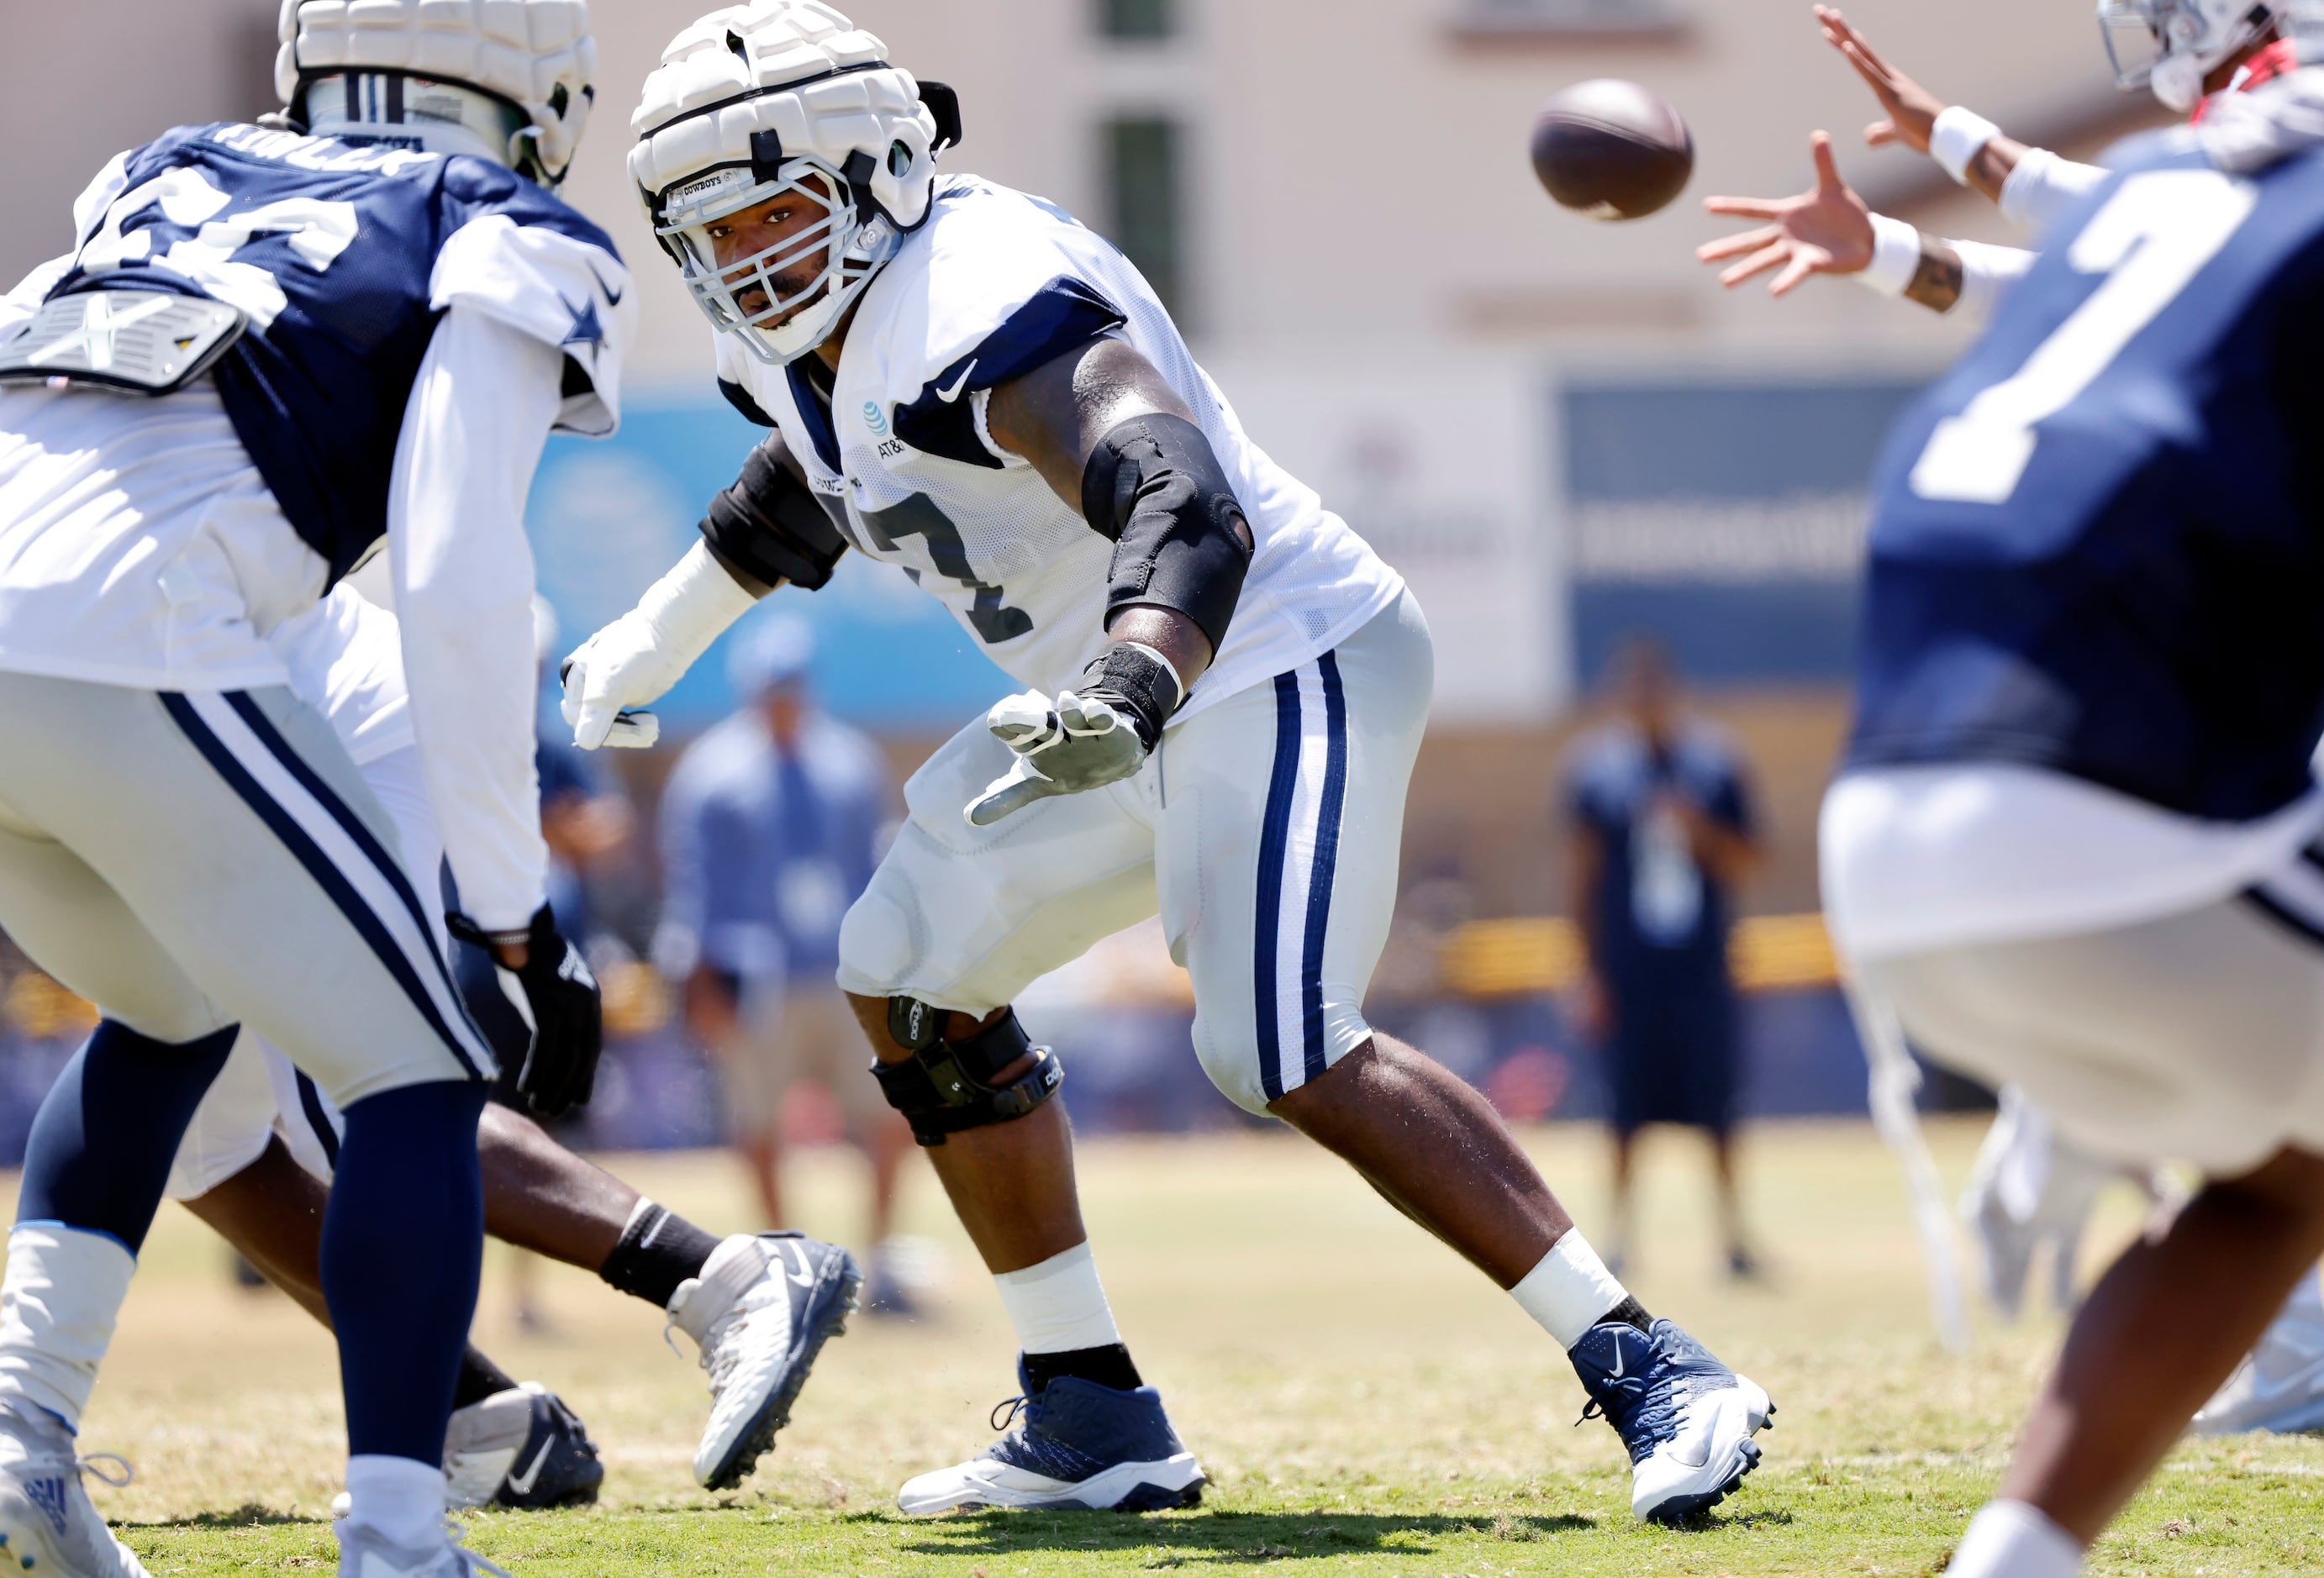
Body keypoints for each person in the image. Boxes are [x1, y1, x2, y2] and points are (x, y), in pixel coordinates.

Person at [562, 0, 1776, 1524]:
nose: (749, 266)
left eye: (776, 217)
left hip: (1270, 652)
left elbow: (1183, 502)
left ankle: (1657, 1363)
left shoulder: (980, 294)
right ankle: (1090, 1410)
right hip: (1122, 698)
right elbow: (813, 482)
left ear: (875, 171)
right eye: (715, 236)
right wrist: (650, 644)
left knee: (1273, 1039)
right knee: (908, 963)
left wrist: (1135, 678)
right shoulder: (825, 335)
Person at [0, 3, 616, 1572]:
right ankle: (401, 1534)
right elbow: (461, 568)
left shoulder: (162, 168)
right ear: (541, 90)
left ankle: (24, 1434)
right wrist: (511, 917)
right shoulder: (488, 216)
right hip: (133, 627)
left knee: (172, 1004)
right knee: (415, 1066)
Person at [1700, 0, 2324, 1438]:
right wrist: (1920, 223)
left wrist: (1952, 168)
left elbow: (2125, 242)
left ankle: (2113, 1158)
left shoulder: (2257, 122)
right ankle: (2263, 1313)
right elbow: (2135, 256)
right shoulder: (2232, 156)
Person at [155, 570, 860, 1512]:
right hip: (257, 752)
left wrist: (519, 920)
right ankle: (480, 1418)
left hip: (327, 737)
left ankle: (722, 1277)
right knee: (203, 1136)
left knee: (354, 1101)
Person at [656, 617, 917, 1301]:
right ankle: (787, 1266)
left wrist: (897, 964)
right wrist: (698, 982)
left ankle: (881, 1259)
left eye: (791, 686)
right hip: (756, 976)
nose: (782, 699)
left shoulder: (848, 763)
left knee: (889, 1113)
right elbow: (693, 887)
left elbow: (874, 869)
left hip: (843, 972)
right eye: (771, 687)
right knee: (760, 1123)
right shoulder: (711, 772)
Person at [1564, 639, 1764, 1278]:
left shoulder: (1712, 765)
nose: (1645, 700)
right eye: (1634, 689)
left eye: (1655, 687)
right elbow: (1582, 879)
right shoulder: (1597, 771)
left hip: (1699, 965)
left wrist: (1697, 829)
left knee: (1717, 1110)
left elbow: (1750, 859)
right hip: (1630, 970)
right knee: (1625, 1112)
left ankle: (1733, 1242)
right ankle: (1619, 1241)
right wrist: (1586, 971)